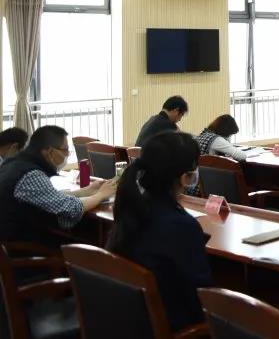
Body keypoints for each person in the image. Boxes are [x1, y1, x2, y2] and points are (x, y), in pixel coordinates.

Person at [107, 131, 211, 332]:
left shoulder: (130, 209)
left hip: (128, 323)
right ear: (185, 177)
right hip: (174, 327)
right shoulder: (182, 226)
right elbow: (201, 296)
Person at [0, 125, 117, 242]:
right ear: (50, 151)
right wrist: (100, 195)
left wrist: (86, 191)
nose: (67, 155)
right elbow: (70, 208)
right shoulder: (30, 175)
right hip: (20, 245)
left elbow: (51, 197)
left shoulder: (13, 164)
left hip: (13, 239)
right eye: (65, 150)